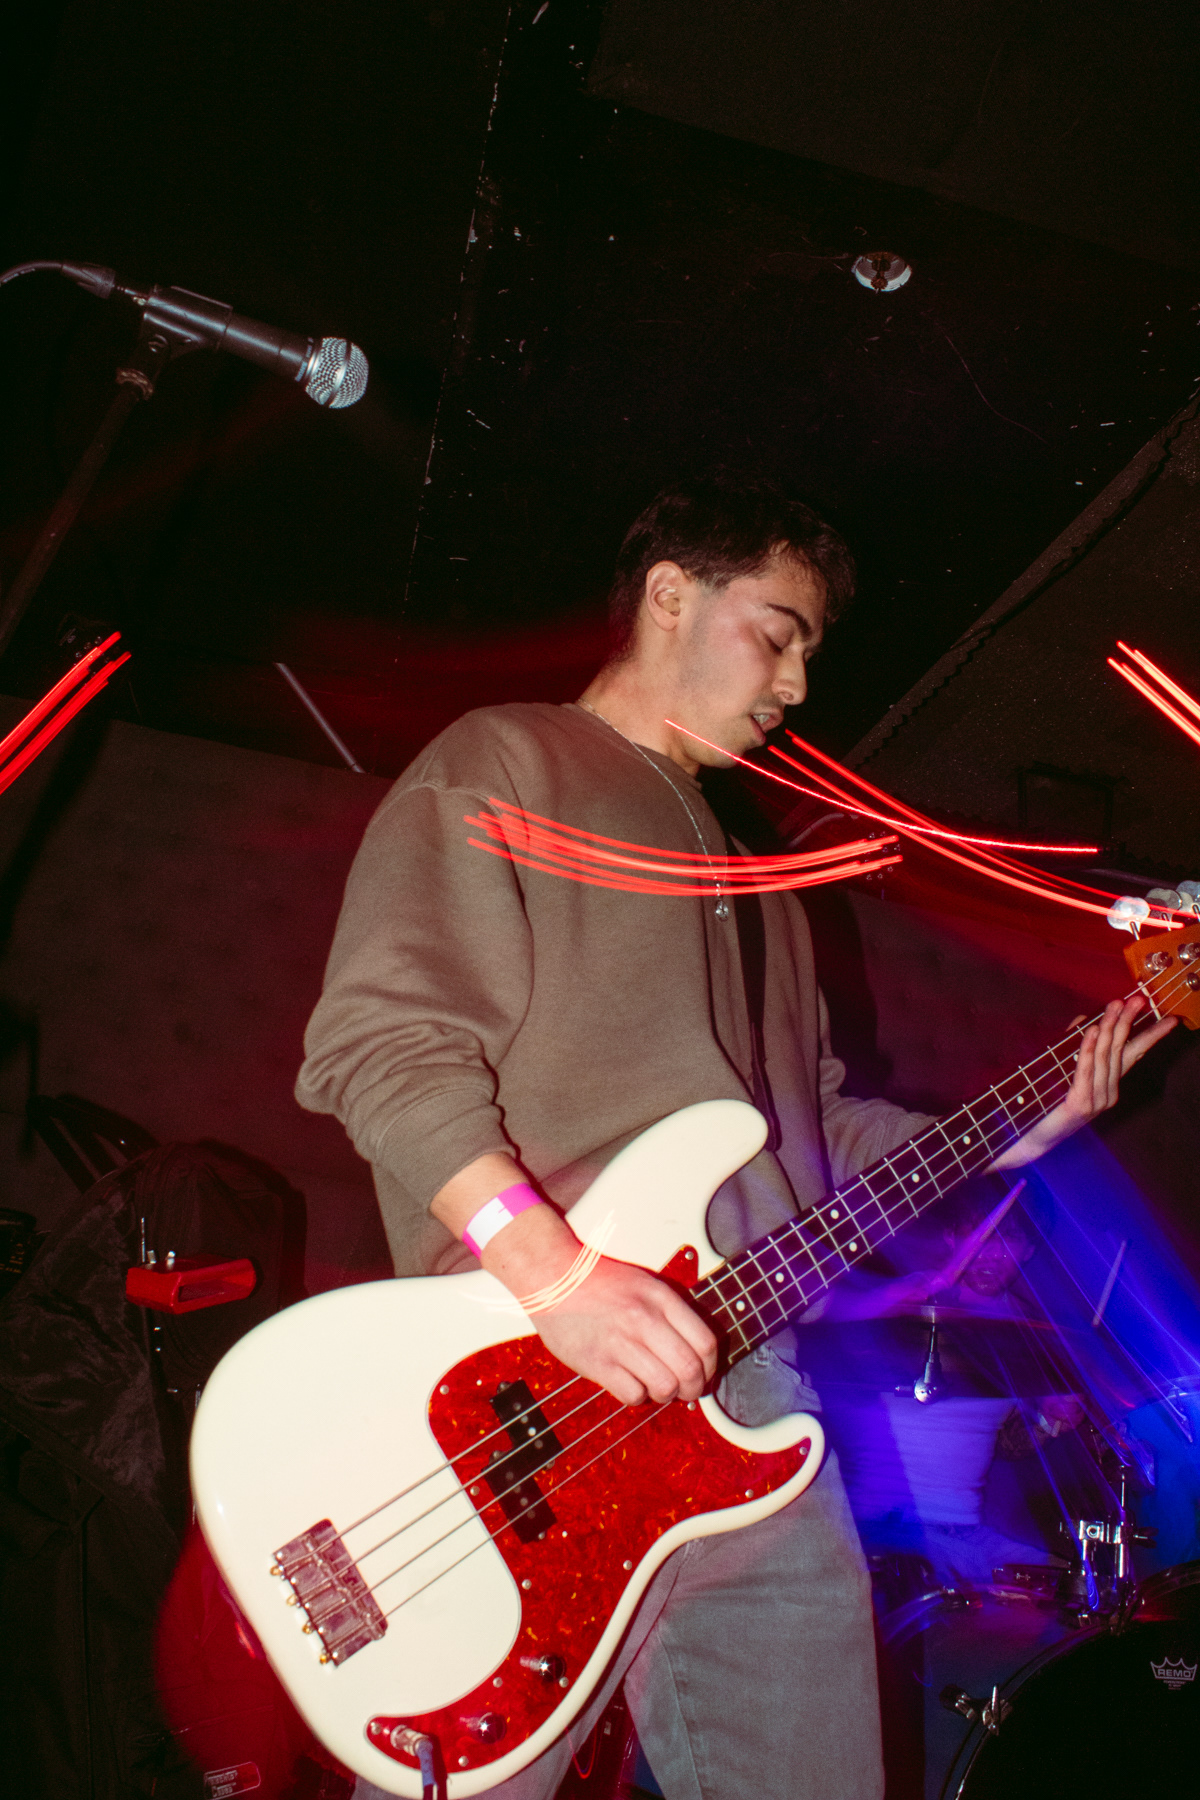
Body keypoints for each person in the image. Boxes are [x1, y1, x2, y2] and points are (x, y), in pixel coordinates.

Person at [296, 477, 1171, 1800]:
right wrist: (558, 1276)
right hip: (525, 1398)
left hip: (751, 1400)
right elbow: (378, 1043)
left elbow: (807, 1132)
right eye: (780, 632)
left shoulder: (761, 888)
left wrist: (1013, 1130)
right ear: (670, 595)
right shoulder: (509, 761)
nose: (800, 685)